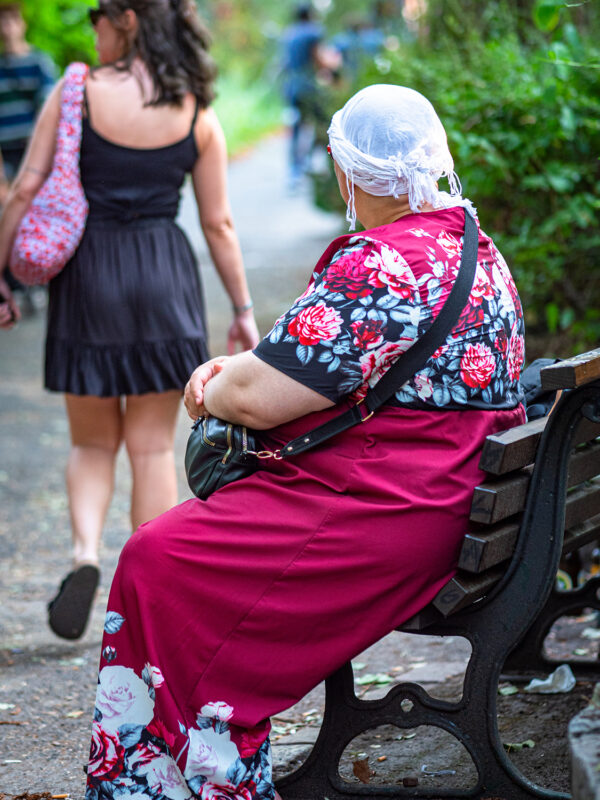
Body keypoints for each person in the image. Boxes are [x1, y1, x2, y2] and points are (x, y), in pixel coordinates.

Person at [84, 84, 525, 799]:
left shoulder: (379, 261)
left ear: (348, 173)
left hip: (384, 507)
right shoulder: (474, 247)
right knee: (171, 553)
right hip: (453, 499)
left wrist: (210, 380)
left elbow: (257, 395)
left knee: (155, 558)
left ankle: (176, 780)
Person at [0, 0, 259, 641]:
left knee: (91, 443)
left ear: (129, 20)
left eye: (98, 15)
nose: (93, 27)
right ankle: (146, 590)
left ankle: (85, 555)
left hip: (88, 279)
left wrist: (4, 273)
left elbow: (25, 188)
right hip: (163, 279)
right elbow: (218, 224)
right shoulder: (196, 108)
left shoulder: (77, 92)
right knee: (151, 446)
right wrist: (244, 310)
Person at [0, 1, 57, 312]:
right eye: (2, 21)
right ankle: (17, 284)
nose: (7, 27)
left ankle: (40, 281)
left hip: (32, 150)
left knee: (35, 215)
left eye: (12, 20)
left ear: (21, 24)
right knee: (8, 216)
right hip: (5, 153)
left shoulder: (39, 63)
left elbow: (47, 114)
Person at [280, 2, 339, 189]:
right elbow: (318, 58)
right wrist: (332, 69)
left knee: (297, 127)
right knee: (323, 124)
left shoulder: (288, 33)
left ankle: (295, 172)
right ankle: (329, 166)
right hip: (308, 86)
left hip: (291, 86)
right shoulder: (313, 31)